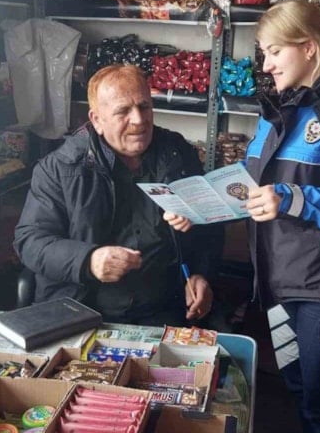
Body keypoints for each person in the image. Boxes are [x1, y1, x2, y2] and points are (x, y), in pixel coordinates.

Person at [166, 0, 320, 433]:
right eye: (264, 52)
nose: (267, 64)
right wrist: (198, 209)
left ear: (309, 47)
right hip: (278, 285)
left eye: (275, 51)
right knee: (299, 390)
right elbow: (251, 185)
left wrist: (296, 198)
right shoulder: (280, 110)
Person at [14, 64, 223, 326]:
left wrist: (201, 275)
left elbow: (208, 227)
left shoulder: (178, 153)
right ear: (97, 120)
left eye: (144, 107)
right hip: (82, 309)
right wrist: (88, 260)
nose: (139, 120)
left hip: (165, 308)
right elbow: (30, 241)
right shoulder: (60, 168)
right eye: (123, 111)